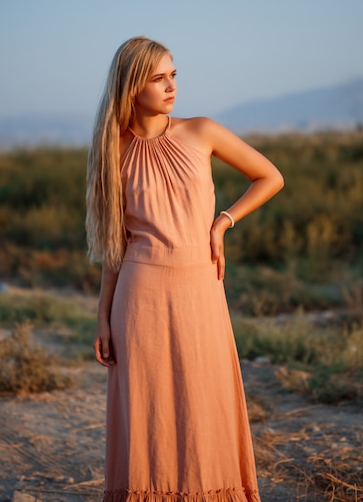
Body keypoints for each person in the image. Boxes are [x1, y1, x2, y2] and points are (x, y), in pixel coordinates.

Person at [86, 36, 284, 502]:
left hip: (200, 288)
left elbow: (270, 176)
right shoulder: (112, 149)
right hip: (139, 296)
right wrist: (102, 316)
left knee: (204, 402)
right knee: (148, 410)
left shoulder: (202, 132)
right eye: (158, 78)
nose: (171, 86)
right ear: (131, 86)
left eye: (174, 74)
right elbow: (115, 244)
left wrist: (223, 222)